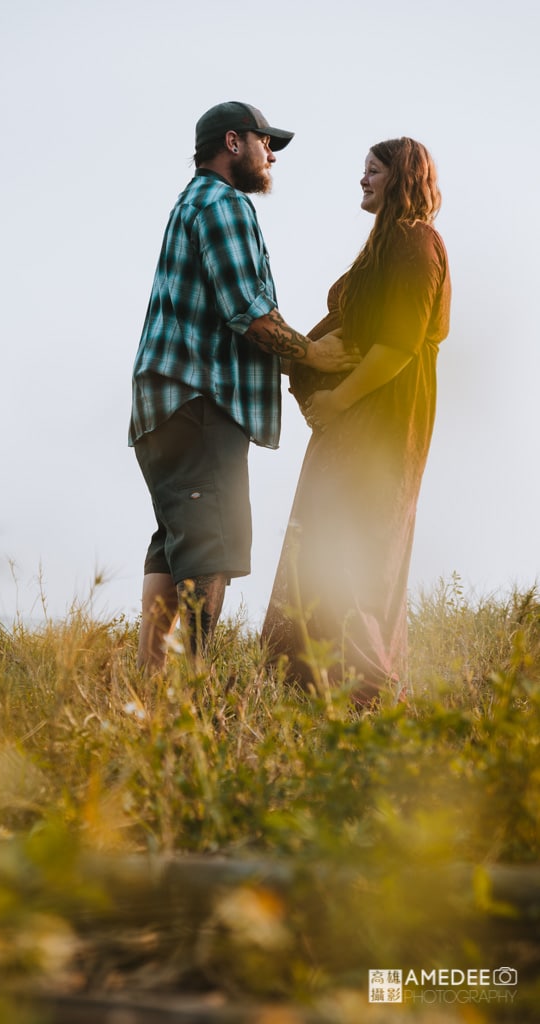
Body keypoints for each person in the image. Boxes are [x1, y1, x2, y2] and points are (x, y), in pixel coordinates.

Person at [129, 101, 359, 672]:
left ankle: (147, 674)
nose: (271, 153)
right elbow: (249, 313)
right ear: (234, 142)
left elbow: (226, 317)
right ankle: (196, 684)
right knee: (211, 546)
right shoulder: (224, 204)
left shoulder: (191, 203)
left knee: (177, 538)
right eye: (265, 141)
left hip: (165, 402)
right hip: (200, 402)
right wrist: (317, 356)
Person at [262, 136, 451, 705]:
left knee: (359, 541)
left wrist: (338, 401)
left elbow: (396, 347)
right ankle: (303, 689)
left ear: (402, 178)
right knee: (317, 539)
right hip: (347, 421)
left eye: (372, 171)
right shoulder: (383, 245)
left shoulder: (415, 242)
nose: (362, 180)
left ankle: (364, 694)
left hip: (382, 423)